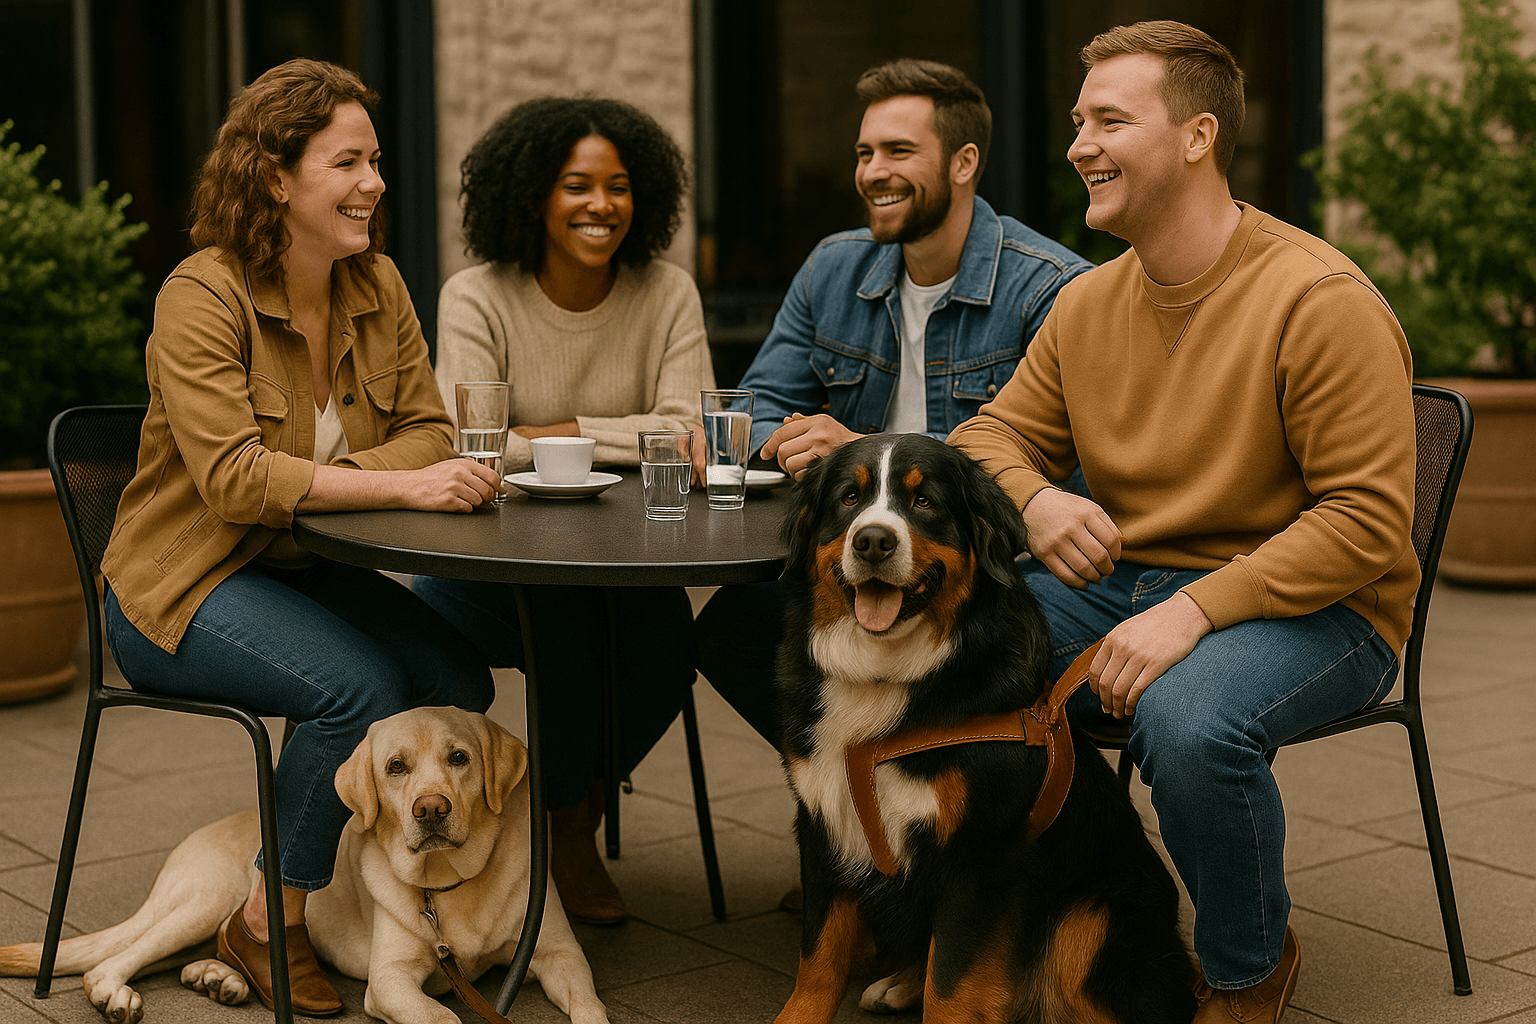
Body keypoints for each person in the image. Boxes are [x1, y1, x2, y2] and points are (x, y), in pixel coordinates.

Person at [949, 22, 1417, 1024]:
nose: (1077, 144)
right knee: (960, 654)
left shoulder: (1318, 298)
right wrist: (1039, 497)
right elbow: (988, 436)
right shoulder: (1087, 304)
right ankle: (1038, 928)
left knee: (1188, 720)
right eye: (1078, 122)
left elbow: (1368, 522)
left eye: (1109, 119)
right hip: (1124, 585)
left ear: (1199, 136)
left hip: (1321, 608)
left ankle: (1249, 966)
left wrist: (1197, 609)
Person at [99, 59, 499, 1015]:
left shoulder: (378, 283)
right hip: (182, 587)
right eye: (349, 163)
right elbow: (237, 481)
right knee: (352, 690)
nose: (376, 182)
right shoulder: (203, 294)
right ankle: (267, 917)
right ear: (277, 178)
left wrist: (358, 479)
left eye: (375, 161)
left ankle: (397, 893)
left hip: (298, 566)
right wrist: (397, 481)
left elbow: (432, 431)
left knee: (456, 683)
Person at [695, 58, 1091, 746]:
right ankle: (856, 783)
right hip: (866, 561)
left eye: (899, 151)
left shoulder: (1051, 290)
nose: (873, 171)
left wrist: (857, 449)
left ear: (965, 162)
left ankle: (911, 796)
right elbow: (745, 413)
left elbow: (1076, 475)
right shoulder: (832, 268)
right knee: (726, 631)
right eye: (865, 152)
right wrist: (782, 440)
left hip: (990, 575)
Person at [412, 97, 713, 926]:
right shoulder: (477, 295)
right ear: (534, 195)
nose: (601, 205)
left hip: (629, 559)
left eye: (618, 186)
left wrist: (557, 432)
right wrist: (620, 435)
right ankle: (564, 835)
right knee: (568, 631)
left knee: (666, 656)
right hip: (490, 566)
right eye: (577, 185)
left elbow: (687, 429)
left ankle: (564, 816)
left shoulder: (666, 294)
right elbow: (468, 444)